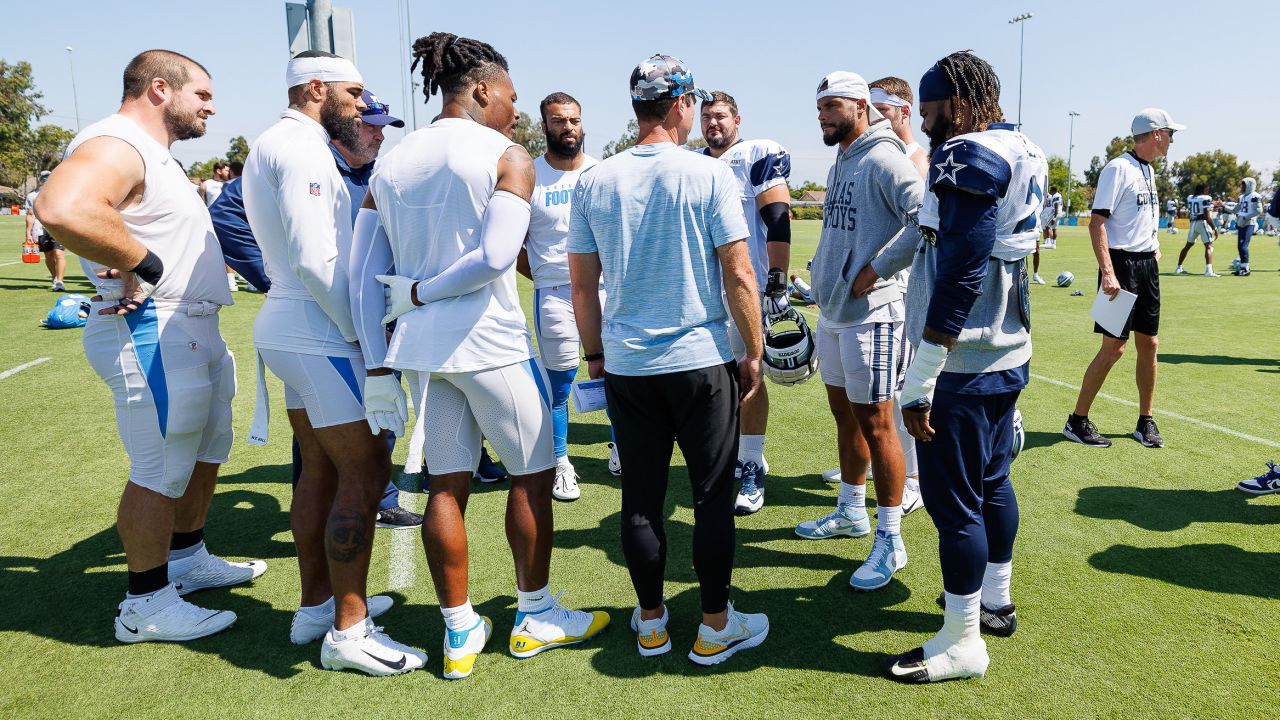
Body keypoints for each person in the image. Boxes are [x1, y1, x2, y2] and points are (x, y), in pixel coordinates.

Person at [355, 32, 608, 680]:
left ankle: (459, 629)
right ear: (482, 90)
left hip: (427, 354)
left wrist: (378, 367)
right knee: (533, 476)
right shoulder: (506, 154)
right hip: (489, 344)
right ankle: (535, 613)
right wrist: (422, 289)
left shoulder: (392, 160)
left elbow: (362, 277)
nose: (516, 111)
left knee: (446, 486)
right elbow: (498, 257)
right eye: (512, 98)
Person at [35, 49, 266, 644]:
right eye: (204, 96)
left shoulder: (150, 152)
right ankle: (144, 603)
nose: (211, 108)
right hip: (152, 325)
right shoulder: (118, 141)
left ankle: (186, 559)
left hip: (191, 325)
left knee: (207, 447)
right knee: (160, 466)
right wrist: (143, 262)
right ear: (161, 89)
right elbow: (62, 206)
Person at [569, 52, 769, 665]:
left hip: (630, 364)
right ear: (681, 103)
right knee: (711, 498)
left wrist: (596, 355)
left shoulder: (596, 179)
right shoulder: (708, 176)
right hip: (700, 359)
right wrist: (754, 353)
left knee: (641, 500)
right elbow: (738, 272)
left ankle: (652, 623)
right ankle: (714, 626)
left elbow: (582, 285)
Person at [243, 50, 424, 675]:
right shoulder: (299, 149)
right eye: (353, 90)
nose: (360, 101)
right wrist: (367, 341)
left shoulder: (293, 143)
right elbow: (318, 260)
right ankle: (349, 629)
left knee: (318, 469)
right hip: (319, 331)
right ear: (316, 87)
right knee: (366, 472)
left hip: (298, 328)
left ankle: (318, 604)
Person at [876, 50, 1046, 684]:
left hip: (963, 358)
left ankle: (962, 639)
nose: (925, 126)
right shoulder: (1025, 147)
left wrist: (923, 372)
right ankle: (995, 599)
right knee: (995, 481)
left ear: (965, 101)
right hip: (1006, 350)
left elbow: (963, 268)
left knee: (956, 507)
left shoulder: (967, 152)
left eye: (933, 111)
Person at [209, 91, 424, 531]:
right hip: (325, 326)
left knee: (377, 424)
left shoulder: (381, 171)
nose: (379, 135)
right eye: (370, 125)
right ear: (344, 124)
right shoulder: (309, 162)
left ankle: (379, 502)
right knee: (321, 441)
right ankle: (331, 521)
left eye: (384, 127)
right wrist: (280, 279)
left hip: (376, 320)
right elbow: (227, 218)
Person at [798, 71, 922, 595]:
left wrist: (877, 269)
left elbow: (925, 218)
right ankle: (852, 511)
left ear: (859, 107)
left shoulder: (885, 155)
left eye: (831, 106)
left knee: (878, 424)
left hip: (874, 311)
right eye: (819, 106)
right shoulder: (845, 157)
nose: (822, 115)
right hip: (835, 311)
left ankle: (891, 539)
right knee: (845, 417)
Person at [1063, 108, 1183, 450]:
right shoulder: (1118, 167)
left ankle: (1145, 420)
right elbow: (1097, 223)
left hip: (1146, 267)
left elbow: (1140, 218)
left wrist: (1154, 247)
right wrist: (1108, 273)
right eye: (1170, 133)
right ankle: (1077, 420)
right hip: (1120, 266)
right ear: (1156, 133)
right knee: (1113, 348)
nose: (1172, 139)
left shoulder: (1148, 170)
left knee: (1151, 344)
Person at [698, 89, 792, 515]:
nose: (712, 124)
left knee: (750, 376)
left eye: (719, 116)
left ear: (737, 119)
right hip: (703, 292)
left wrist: (776, 281)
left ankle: (752, 464)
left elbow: (777, 218)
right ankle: (735, 454)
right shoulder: (695, 164)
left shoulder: (755, 153)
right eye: (706, 118)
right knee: (716, 382)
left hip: (745, 286)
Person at [518, 91, 602, 501]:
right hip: (554, 292)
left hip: (605, 290)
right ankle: (561, 463)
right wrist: (548, 275)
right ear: (544, 126)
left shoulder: (602, 173)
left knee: (617, 373)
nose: (567, 128)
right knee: (561, 382)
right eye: (558, 121)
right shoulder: (530, 175)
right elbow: (515, 245)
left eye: (572, 120)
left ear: (582, 123)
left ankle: (620, 449)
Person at [869, 77, 929, 179]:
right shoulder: (872, 156)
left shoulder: (920, 162)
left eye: (881, 109)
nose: (874, 117)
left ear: (904, 112)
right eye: (870, 111)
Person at [24, 170, 66, 291]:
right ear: (40, 180)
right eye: (44, 178)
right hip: (40, 229)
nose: (46, 180)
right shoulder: (32, 196)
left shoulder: (59, 194)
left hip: (57, 228)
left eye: (49, 178)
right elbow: (30, 215)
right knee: (48, 256)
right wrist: (28, 233)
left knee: (59, 253)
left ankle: (60, 281)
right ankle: (54, 277)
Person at [1176, 183, 1219, 276]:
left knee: (1187, 246)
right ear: (1203, 190)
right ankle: (1209, 271)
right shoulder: (1205, 198)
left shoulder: (1190, 197)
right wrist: (1214, 228)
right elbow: (1207, 216)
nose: (1207, 192)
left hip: (1193, 223)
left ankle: (1179, 267)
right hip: (1202, 223)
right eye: (1206, 190)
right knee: (1209, 246)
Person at [1232, 176, 1262, 276]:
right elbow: (1235, 210)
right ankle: (1243, 267)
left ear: (1250, 185)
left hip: (1249, 223)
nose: (1242, 186)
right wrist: (1222, 205)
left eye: (1244, 184)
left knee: (1243, 245)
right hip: (1241, 222)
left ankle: (1245, 268)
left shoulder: (1254, 196)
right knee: (1240, 246)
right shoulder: (1242, 197)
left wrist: (1246, 217)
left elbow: (1258, 210)